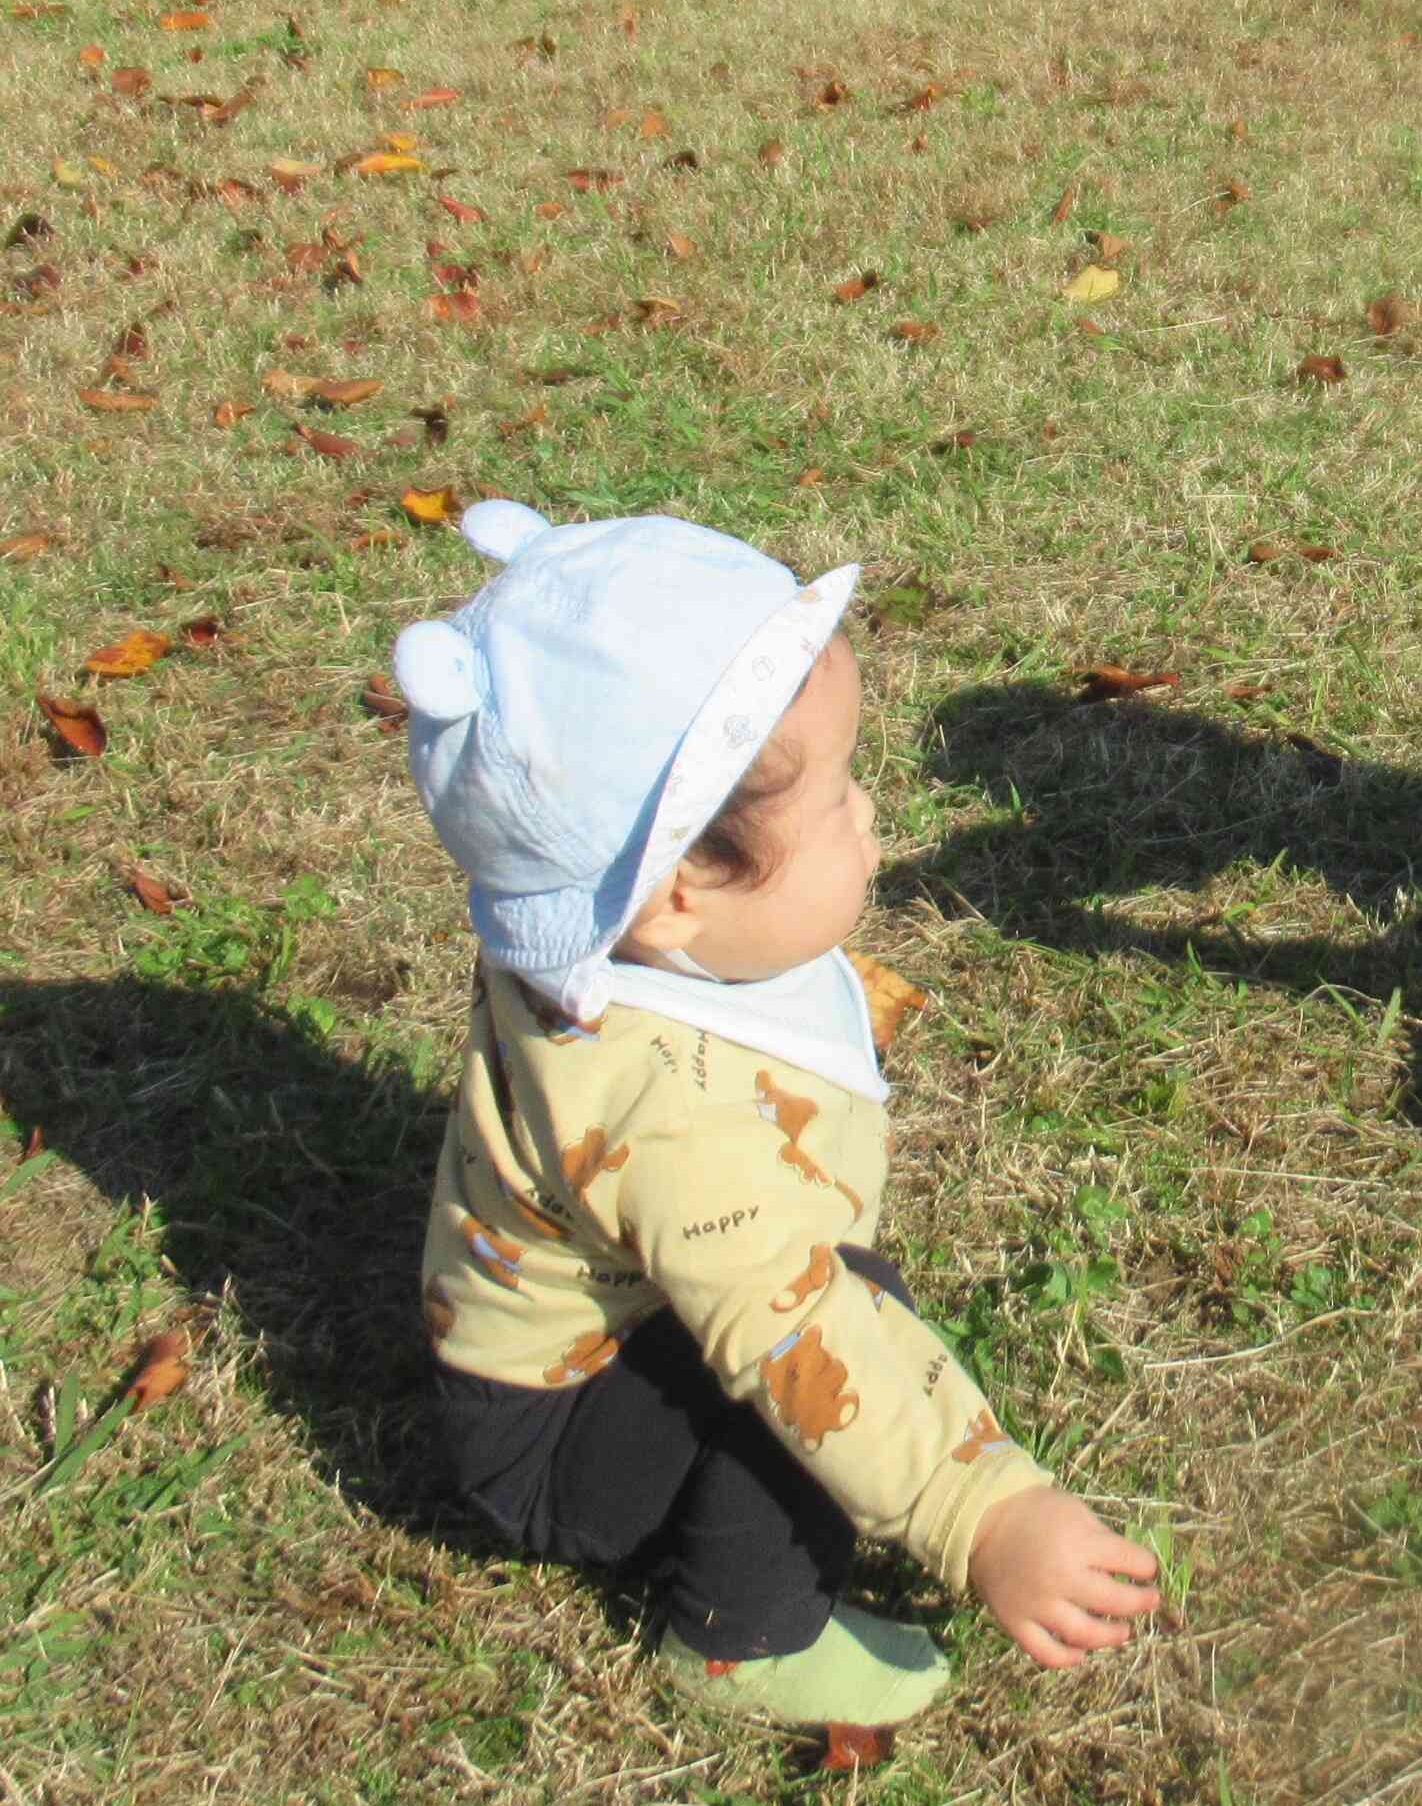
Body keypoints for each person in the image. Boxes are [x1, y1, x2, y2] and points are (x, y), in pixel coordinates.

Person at [397, 500, 1160, 1726]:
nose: (869, 814)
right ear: (676, 896)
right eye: (835, 799)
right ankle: (740, 1639)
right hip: (555, 1442)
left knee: (809, 1297)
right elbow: (796, 1334)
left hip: (539, 1355)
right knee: (814, 1345)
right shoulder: (681, 1124)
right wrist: (986, 1511)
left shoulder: (599, 924)